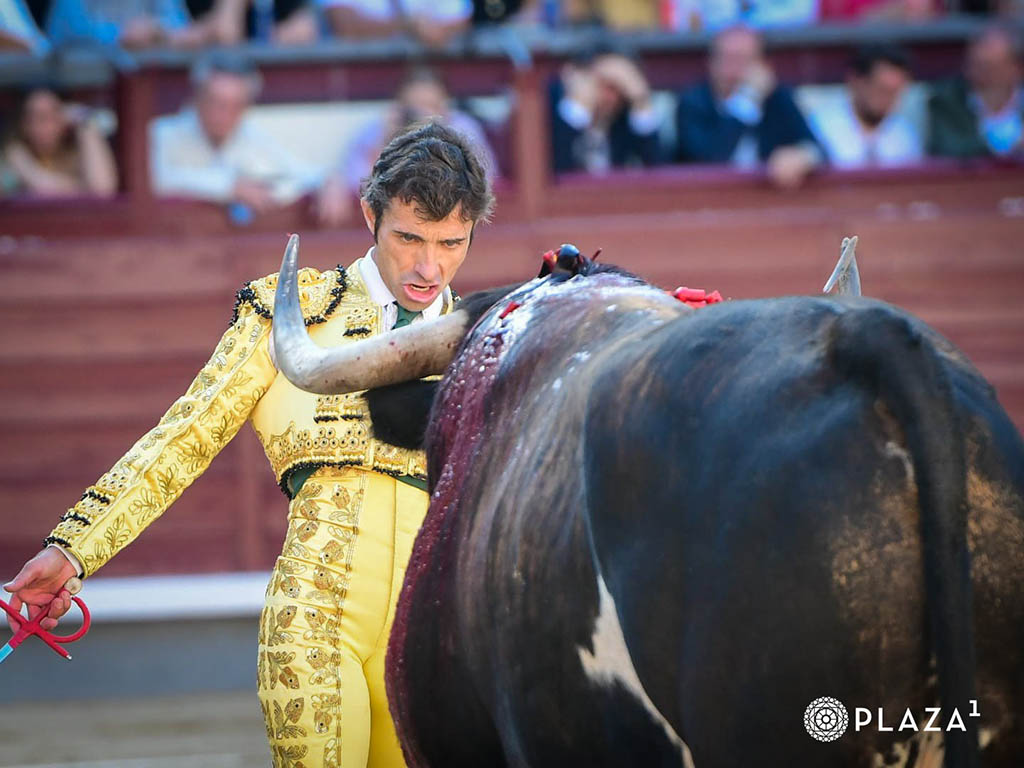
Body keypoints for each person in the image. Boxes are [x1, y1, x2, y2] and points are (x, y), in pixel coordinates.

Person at [4, 121, 494, 768]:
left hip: (436, 639)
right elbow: (184, 437)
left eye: (449, 243)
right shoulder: (290, 312)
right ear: (369, 213)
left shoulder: (489, 336)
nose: (428, 266)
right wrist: (74, 549)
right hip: (317, 625)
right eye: (408, 238)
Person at [318, 67, 498, 226]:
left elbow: (483, 180)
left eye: (430, 106)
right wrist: (386, 139)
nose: (422, 115)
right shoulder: (381, 128)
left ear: (444, 108)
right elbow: (356, 181)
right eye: (415, 107)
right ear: (401, 107)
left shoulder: (460, 127)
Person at [150, 52, 321, 213]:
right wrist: (227, 187)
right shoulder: (161, 135)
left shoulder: (251, 138)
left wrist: (328, 182)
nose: (224, 115)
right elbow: (154, 178)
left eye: (235, 106)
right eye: (216, 102)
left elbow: (299, 173)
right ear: (197, 96)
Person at [675, 24, 821, 188]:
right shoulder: (693, 102)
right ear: (710, 63)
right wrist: (746, 101)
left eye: (742, 60)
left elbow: (817, 148)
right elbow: (709, 161)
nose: (732, 70)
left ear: (764, 66)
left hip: (767, 202)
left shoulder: (778, 97)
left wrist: (803, 156)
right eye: (725, 59)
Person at [807, 43, 923, 169]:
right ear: (855, 81)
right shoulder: (820, 127)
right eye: (881, 89)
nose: (888, 99)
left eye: (895, 92)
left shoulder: (904, 134)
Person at [551, 50, 663, 174]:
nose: (611, 97)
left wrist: (641, 102)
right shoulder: (544, 110)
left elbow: (659, 175)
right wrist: (579, 107)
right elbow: (555, 171)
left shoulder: (627, 120)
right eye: (605, 85)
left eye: (621, 88)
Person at [1, 86, 117, 198]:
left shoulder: (75, 154)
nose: (41, 126)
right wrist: (84, 189)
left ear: (64, 119)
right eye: (34, 117)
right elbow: (42, 186)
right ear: (23, 125)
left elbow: (103, 190)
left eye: (49, 117)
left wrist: (85, 125)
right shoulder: (12, 154)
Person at [928, 24, 1024, 160]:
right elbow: (949, 148)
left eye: (990, 67)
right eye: (974, 65)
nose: (977, 75)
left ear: (1017, 68)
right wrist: (1009, 147)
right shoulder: (945, 99)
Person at [321, 0, 471, 47]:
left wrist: (435, 31)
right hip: (361, 80)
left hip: (427, 77)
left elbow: (461, 23)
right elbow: (346, 27)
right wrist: (409, 26)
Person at [44, 0, 192, 47]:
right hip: (80, 85)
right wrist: (120, 34)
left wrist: (158, 28)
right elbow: (69, 30)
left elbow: (180, 26)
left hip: (146, 83)